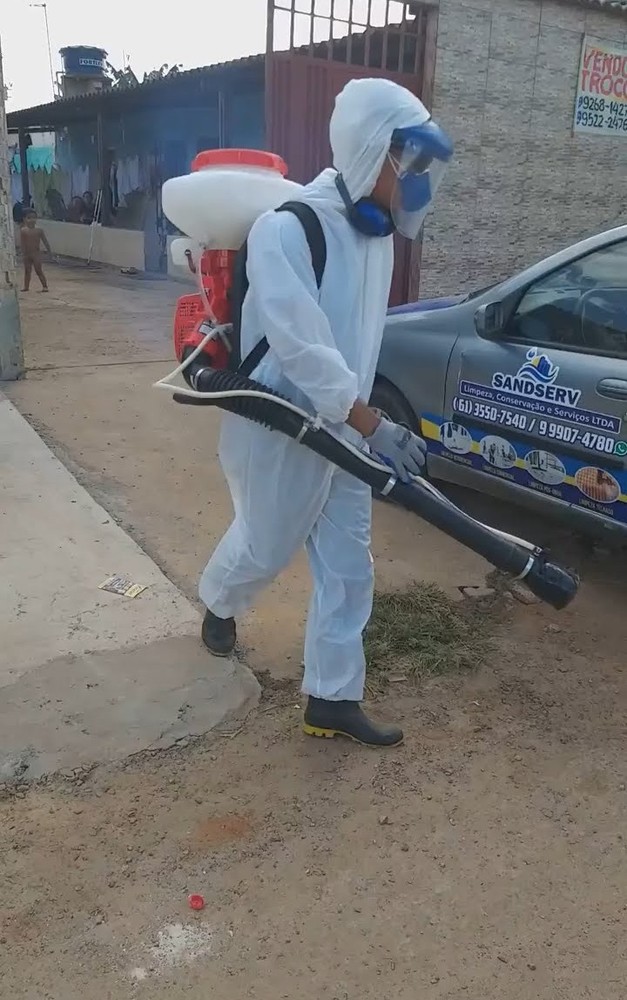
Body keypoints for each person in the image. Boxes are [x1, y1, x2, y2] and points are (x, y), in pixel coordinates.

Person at [199, 77, 453, 747]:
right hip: (280, 423)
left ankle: (332, 698)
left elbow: (357, 341)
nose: (417, 181)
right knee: (265, 546)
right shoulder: (286, 229)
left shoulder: (376, 237)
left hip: (346, 428)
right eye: (410, 161)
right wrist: (372, 422)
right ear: (371, 150)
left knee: (348, 565)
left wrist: (360, 421)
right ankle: (219, 601)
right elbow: (301, 346)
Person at [20, 209, 52, 292]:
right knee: (27, 271)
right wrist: (22, 253)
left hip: (36, 254)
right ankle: (26, 287)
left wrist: (49, 251)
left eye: (34, 218)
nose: (32, 220)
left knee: (38, 270)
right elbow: (22, 243)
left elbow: (45, 241)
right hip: (27, 254)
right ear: (24, 219)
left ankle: (45, 286)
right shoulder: (23, 230)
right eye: (29, 218)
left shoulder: (39, 230)